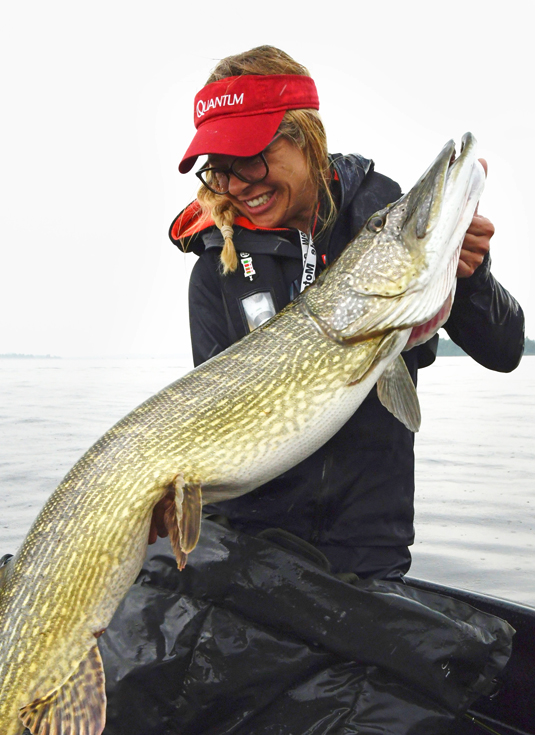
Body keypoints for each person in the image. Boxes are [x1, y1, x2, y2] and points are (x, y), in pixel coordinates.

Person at [169, 45, 525, 580]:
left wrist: (471, 278)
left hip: (368, 548)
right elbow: (223, 434)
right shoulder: (214, 274)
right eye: (219, 171)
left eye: (252, 157)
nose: (239, 186)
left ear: (307, 138)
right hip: (250, 554)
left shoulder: (380, 225)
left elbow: (505, 350)